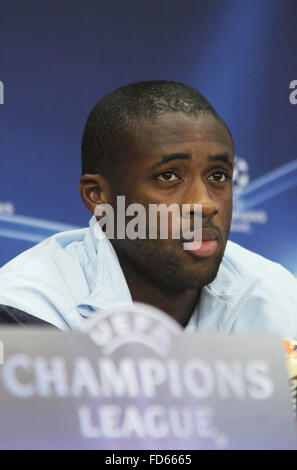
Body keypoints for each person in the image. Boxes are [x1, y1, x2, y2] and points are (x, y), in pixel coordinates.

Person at [0, 80, 296, 336]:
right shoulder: (29, 308)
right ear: (98, 196)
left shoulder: (277, 297)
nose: (204, 204)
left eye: (217, 176)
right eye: (168, 176)